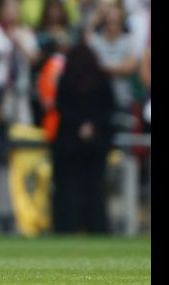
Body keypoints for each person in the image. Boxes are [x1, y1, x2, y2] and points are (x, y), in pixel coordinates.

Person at [52, 40, 115, 234]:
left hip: (69, 142)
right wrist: (92, 125)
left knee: (68, 188)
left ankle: (67, 227)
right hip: (96, 143)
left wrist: (80, 125)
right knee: (94, 188)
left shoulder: (66, 80)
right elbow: (108, 109)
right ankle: (96, 226)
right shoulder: (102, 80)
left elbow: (62, 107)